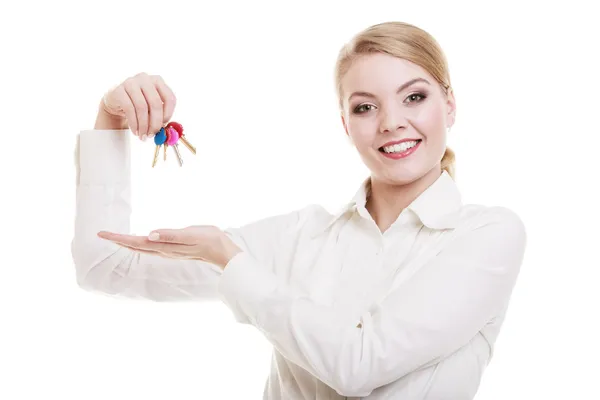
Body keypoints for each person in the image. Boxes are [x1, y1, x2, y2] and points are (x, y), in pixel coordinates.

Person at [72, 21, 527, 400]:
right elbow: (105, 267)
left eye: (414, 97)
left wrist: (233, 263)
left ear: (449, 105)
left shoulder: (487, 235)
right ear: (346, 126)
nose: (391, 122)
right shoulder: (299, 238)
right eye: (366, 106)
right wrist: (109, 118)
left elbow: (359, 365)